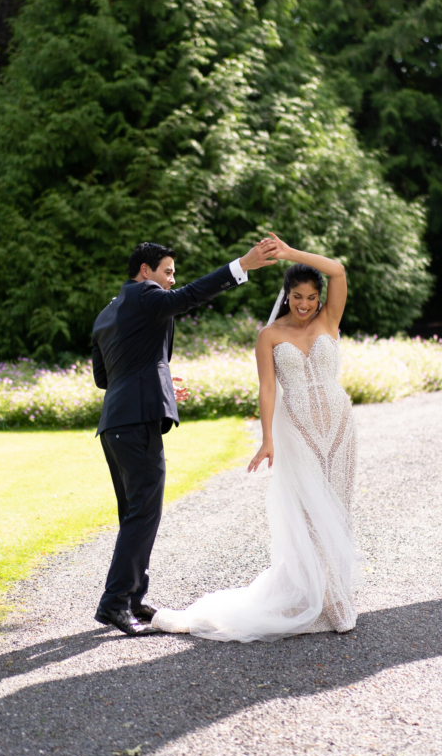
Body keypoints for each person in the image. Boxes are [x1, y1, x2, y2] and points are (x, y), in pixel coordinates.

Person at [152, 233, 359, 641]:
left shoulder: (328, 321)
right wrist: (268, 439)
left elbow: (337, 270)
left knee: (337, 510)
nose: (304, 304)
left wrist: (288, 253)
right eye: (297, 296)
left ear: (320, 299)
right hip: (297, 431)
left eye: (310, 297)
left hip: (339, 429)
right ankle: (328, 599)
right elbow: (268, 390)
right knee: (309, 515)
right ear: (286, 296)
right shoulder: (270, 336)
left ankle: (334, 592)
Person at [92, 238, 277, 636]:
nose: (172, 281)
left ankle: (135, 599)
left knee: (134, 514)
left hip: (114, 425)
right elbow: (190, 297)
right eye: (168, 271)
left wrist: (157, 380)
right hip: (137, 422)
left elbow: (104, 378)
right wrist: (241, 265)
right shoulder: (147, 295)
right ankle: (113, 604)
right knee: (144, 513)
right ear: (146, 271)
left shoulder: (108, 312)